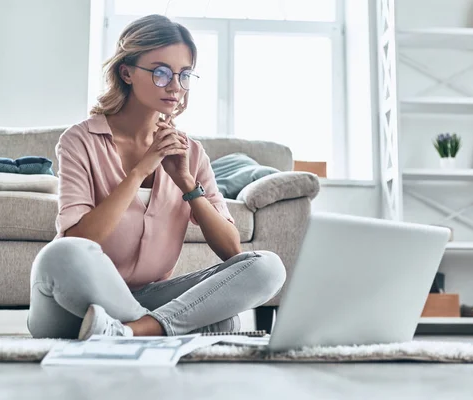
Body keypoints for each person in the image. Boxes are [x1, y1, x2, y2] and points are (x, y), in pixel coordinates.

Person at [27, 14, 286, 340]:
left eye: (184, 74)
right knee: (61, 253)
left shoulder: (191, 153)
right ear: (127, 72)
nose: (175, 86)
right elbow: (80, 241)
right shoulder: (80, 141)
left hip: (147, 298)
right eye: (162, 73)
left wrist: (187, 184)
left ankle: (131, 332)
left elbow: (233, 250)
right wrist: (139, 172)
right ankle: (161, 328)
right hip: (71, 303)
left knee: (267, 266)